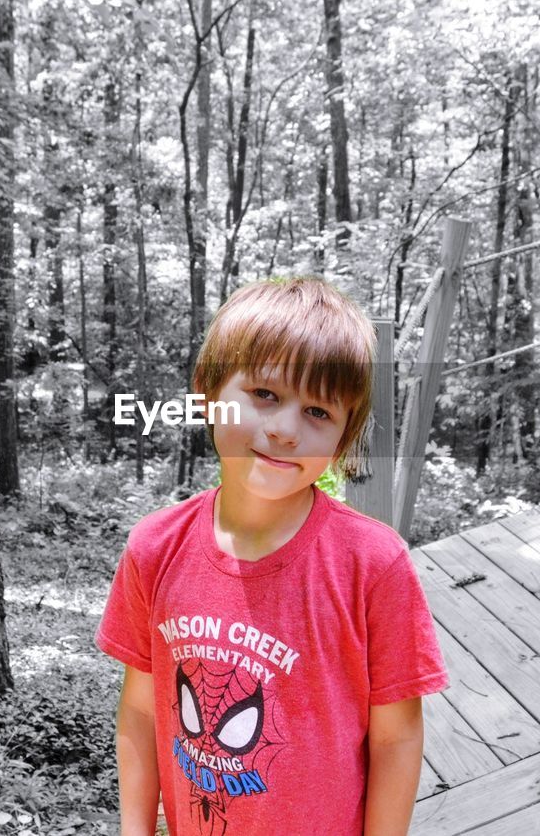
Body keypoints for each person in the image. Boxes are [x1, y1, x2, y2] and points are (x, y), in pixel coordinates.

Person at [95, 276, 449, 835]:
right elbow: (141, 710)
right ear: (208, 395)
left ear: (343, 436)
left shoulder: (373, 565)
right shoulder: (154, 547)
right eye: (264, 395)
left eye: (318, 412)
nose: (285, 430)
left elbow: (397, 736)